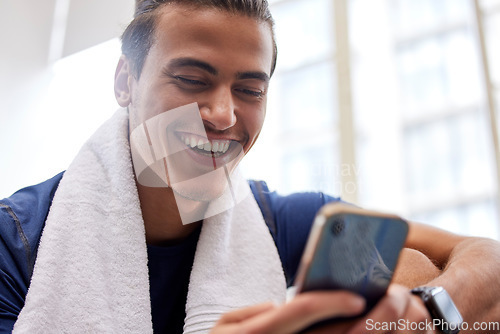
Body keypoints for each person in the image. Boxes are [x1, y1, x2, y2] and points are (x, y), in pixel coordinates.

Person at [1, 0, 500, 333]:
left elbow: (485, 257)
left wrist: (428, 312)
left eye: (250, 90)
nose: (223, 115)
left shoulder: (292, 222)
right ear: (124, 82)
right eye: (193, 79)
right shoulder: (16, 241)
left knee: (411, 267)